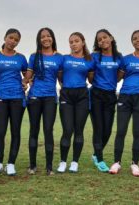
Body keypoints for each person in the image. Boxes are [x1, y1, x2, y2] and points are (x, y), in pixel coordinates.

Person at [109, 30, 139, 176]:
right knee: (121, 131)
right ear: (132, 42)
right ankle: (117, 162)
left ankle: (135, 164)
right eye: (134, 39)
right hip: (125, 96)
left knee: (137, 132)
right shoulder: (126, 59)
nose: (137, 40)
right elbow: (118, 77)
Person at [22, 27, 63, 176]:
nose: (46, 39)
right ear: (39, 40)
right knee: (34, 130)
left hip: (51, 98)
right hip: (34, 97)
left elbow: (61, 78)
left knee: (48, 131)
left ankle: (49, 167)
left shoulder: (59, 57)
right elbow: (28, 75)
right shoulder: (34, 56)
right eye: (42, 37)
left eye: (48, 36)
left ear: (52, 38)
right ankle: (32, 166)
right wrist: (24, 82)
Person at [0, 29, 28, 176]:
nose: (13, 41)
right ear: (5, 38)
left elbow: (27, 76)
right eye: (11, 38)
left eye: (16, 40)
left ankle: (11, 163)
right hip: (0, 97)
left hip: (17, 98)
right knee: (0, 132)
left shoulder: (21, 58)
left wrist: (26, 82)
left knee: (15, 131)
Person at [56, 32, 94, 173]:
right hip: (66, 95)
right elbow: (59, 76)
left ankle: (74, 162)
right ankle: (63, 161)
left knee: (79, 130)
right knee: (67, 130)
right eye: (71, 42)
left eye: (76, 41)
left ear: (83, 42)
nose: (73, 44)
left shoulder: (90, 60)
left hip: (82, 96)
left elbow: (91, 79)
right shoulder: (64, 58)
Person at [90, 29, 123, 172]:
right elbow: (90, 77)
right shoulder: (95, 56)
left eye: (105, 37)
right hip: (96, 94)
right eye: (99, 39)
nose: (103, 40)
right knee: (98, 128)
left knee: (108, 130)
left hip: (110, 95)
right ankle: (100, 159)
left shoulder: (119, 57)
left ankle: (95, 154)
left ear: (111, 37)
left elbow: (119, 76)